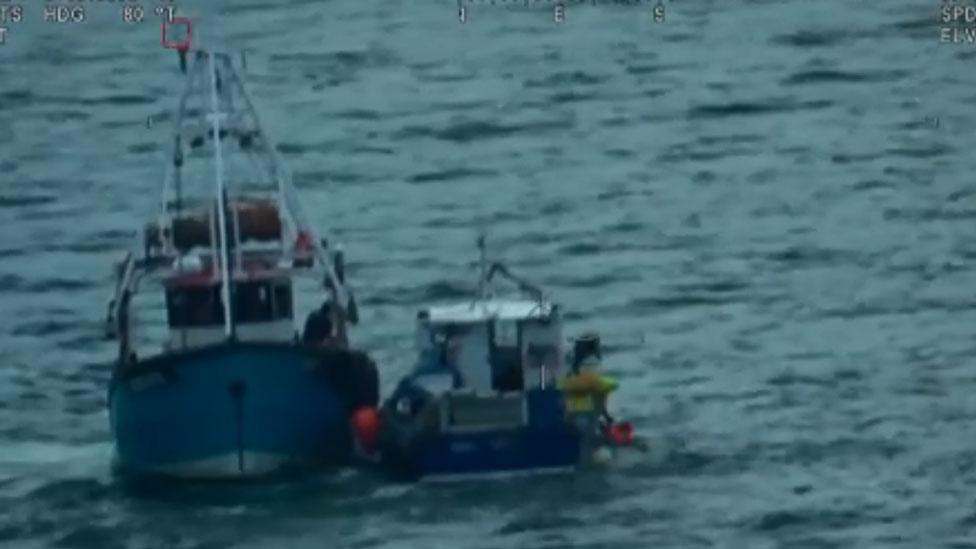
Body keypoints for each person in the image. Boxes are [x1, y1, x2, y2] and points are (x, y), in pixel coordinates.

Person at [558, 333, 618, 463]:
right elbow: (601, 392)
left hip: (571, 417)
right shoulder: (594, 367)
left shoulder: (571, 368)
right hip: (588, 417)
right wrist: (607, 416)